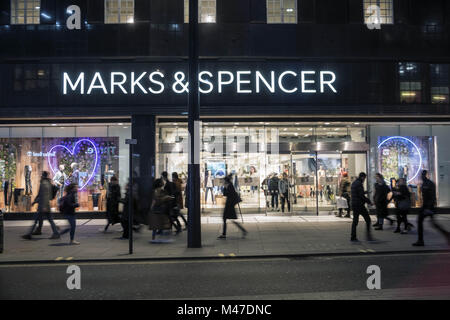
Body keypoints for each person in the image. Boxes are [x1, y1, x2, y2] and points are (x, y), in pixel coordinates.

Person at [413, 170, 450, 247]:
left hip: (429, 207)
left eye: (423, 175)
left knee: (422, 221)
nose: (421, 176)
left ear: (426, 175)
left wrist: (428, 208)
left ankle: (420, 241)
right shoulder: (424, 183)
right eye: (421, 175)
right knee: (433, 223)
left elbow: (432, 197)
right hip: (426, 206)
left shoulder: (430, 184)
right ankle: (447, 235)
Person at [22, 171, 60, 240]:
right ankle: (55, 233)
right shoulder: (48, 183)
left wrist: (40, 205)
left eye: (41, 175)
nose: (41, 176)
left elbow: (42, 195)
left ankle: (29, 234)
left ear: (43, 176)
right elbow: (42, 195)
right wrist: (35, 202)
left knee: (36, 220)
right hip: (45, 205)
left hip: (43, 206)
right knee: (49, 220)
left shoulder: (44, 184)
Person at [218, 175, 248, 239]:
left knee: (228, 219)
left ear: (226, 181)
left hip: (230, 206)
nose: (222, 182)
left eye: (223, 180)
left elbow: (226, 194)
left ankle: (243, 231)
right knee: (227, 219)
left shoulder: (229, 186)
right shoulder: (229, 185)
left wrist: (225, 188)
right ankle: (224, 234)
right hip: (229, 205)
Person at [350, 172, 374, 242]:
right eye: (364, 178)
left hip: (354, 204)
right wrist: (369, 202)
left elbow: (358, 193)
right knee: (368, 220)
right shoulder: (359, 184)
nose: (364, 180)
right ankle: (368, 236)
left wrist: (365, 192)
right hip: (359, 205)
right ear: (363, 177)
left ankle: (353, 237)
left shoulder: (355, 183)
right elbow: (361, 196)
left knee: (355, 221)